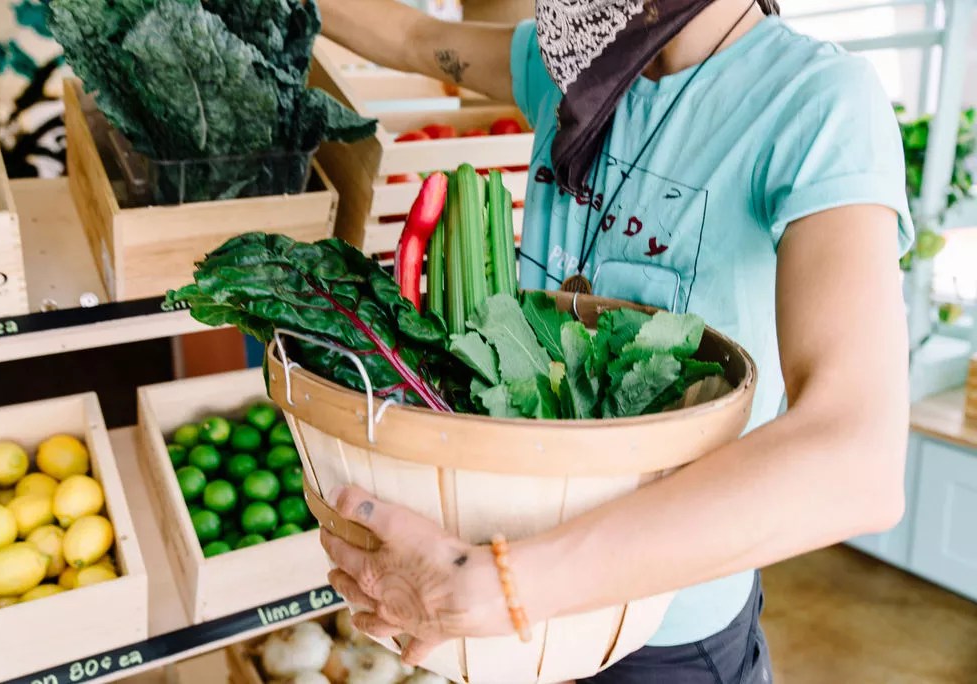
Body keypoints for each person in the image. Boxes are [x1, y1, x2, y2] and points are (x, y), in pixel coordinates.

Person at [315, 0, 914, 682]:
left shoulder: (816, 102)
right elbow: (418, 37)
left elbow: (855, 460)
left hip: (661, 636)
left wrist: (497, 586)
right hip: (516, 620)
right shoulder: (579, 60)